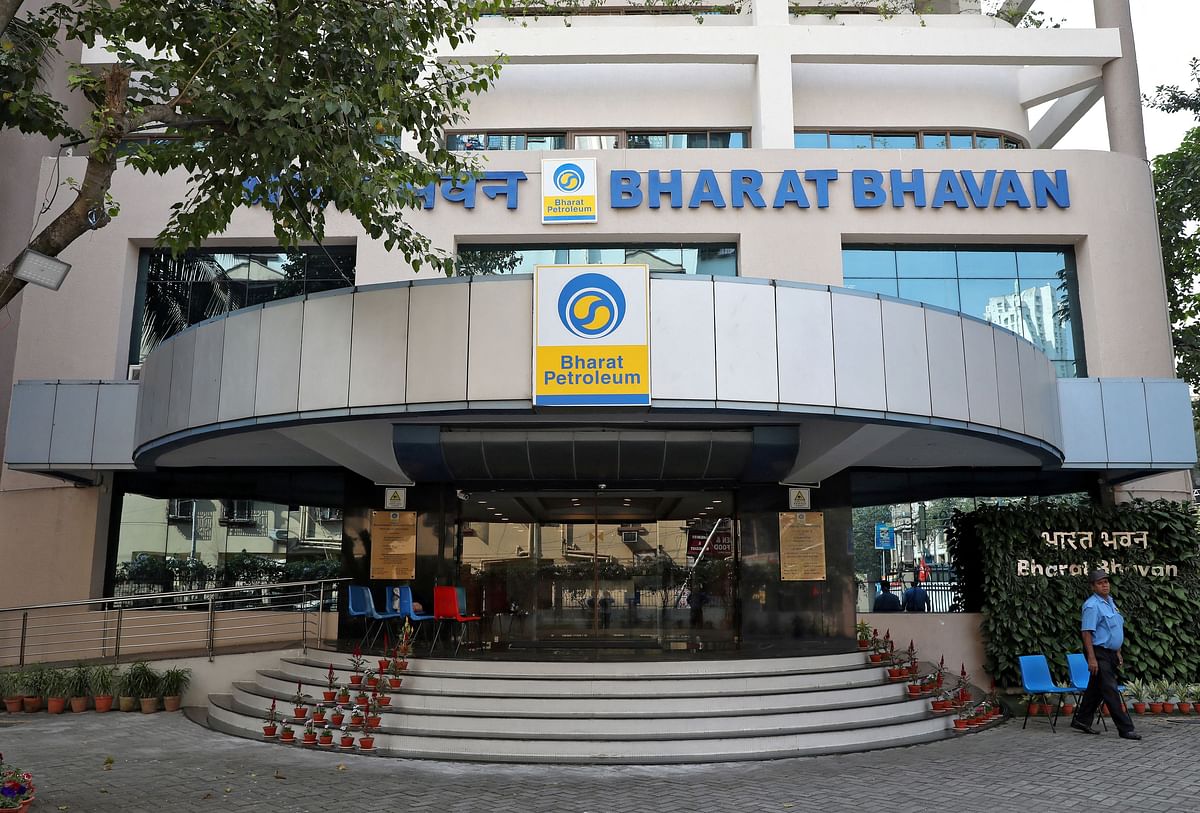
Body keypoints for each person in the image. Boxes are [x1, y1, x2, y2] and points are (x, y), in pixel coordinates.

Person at [1071, 569, 1141, 740]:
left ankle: (1082, 719)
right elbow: (1087, 633)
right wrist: (1092, 658)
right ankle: (1125, 728)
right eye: (1100, 583)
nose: (1105, 585)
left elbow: (1114, 629)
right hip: (1098, 653)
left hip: (1109, 653)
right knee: (1110, 689)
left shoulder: (1110, 602)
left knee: (1096, 688)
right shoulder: (1092, 605)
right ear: (1093, 587)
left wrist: (1117, 651)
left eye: (1106, 582)